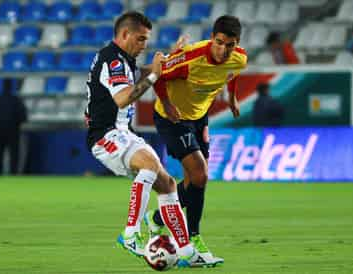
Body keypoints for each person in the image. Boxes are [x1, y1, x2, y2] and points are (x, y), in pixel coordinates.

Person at [84, 11, 198, 267]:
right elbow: (123, 97)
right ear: (125, 34)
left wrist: (168, 60)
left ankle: (187, 251)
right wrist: (156, 76)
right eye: (141, 39)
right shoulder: (113, 60)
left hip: (123, 134)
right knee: (148, 164)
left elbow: (143, 71)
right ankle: (131, 234)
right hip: (106, 136)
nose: (144, 45)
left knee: (168, 183)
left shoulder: (121, 59)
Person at [143, 15, 247, 267]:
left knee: (194, 180)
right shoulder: (191, 58)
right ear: (212, 38)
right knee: (200, 175)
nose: (223, 50)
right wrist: (167, 104)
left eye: (230, 45)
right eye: (219, 43)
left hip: (199, 119)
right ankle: (194, 240)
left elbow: (231, 74)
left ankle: (158, 218)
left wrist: (231, 98)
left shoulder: (239, 58)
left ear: (237, 43)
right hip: (172, 118)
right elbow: (159, 76)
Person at [0, 78, 27, 175]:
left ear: (2, 86)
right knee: (14, 156)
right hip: (13, 132)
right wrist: (17, 123)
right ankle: (13, 178)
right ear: (11, 87)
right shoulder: (16, 100)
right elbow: (24, 117)